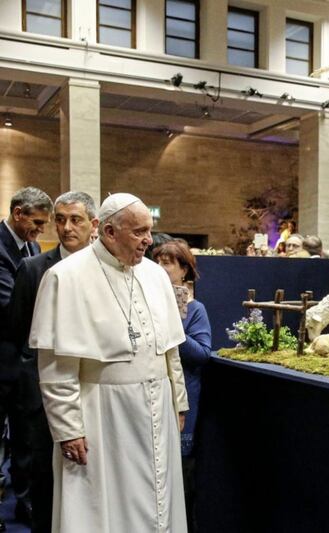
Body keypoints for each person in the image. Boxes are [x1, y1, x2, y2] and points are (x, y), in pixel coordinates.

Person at [28, 193, 189, 532]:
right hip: (102, 413)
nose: (148, 240)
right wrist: (68, 429)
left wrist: (179, 403)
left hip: (157, 407)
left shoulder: (156, 275)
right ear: (109, 231)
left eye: (149, 230)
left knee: (160, 499)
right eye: (139, 232)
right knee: (102, 507)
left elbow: (171, 349)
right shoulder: (65, 277)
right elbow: (57, 366)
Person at [8, 192, 97, 533]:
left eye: (75, 219)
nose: (65, 227)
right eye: (60, 219)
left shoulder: (105, 271)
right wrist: (32, 393)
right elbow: (19, 333)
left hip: (94, 393)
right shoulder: (33, 269)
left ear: (94, 225)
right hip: (43, 399)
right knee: (45, 483)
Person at [0, 186, 52, 529]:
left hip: (23, 365)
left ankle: (23, 502)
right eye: (37, 222)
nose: (42, 230)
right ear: (18, 213)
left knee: (24, 440)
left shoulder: (31, 246)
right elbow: (8, 304)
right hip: (1, 361)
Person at [153, 240, 211, 533]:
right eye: (158, 261)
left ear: (184, 270)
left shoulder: (195, 309)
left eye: (168, 263)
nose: (161, 269)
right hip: (150, 397)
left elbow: (202, 354)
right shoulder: (146, 301)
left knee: (182, 475)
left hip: (184, 400)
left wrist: (174, 325)